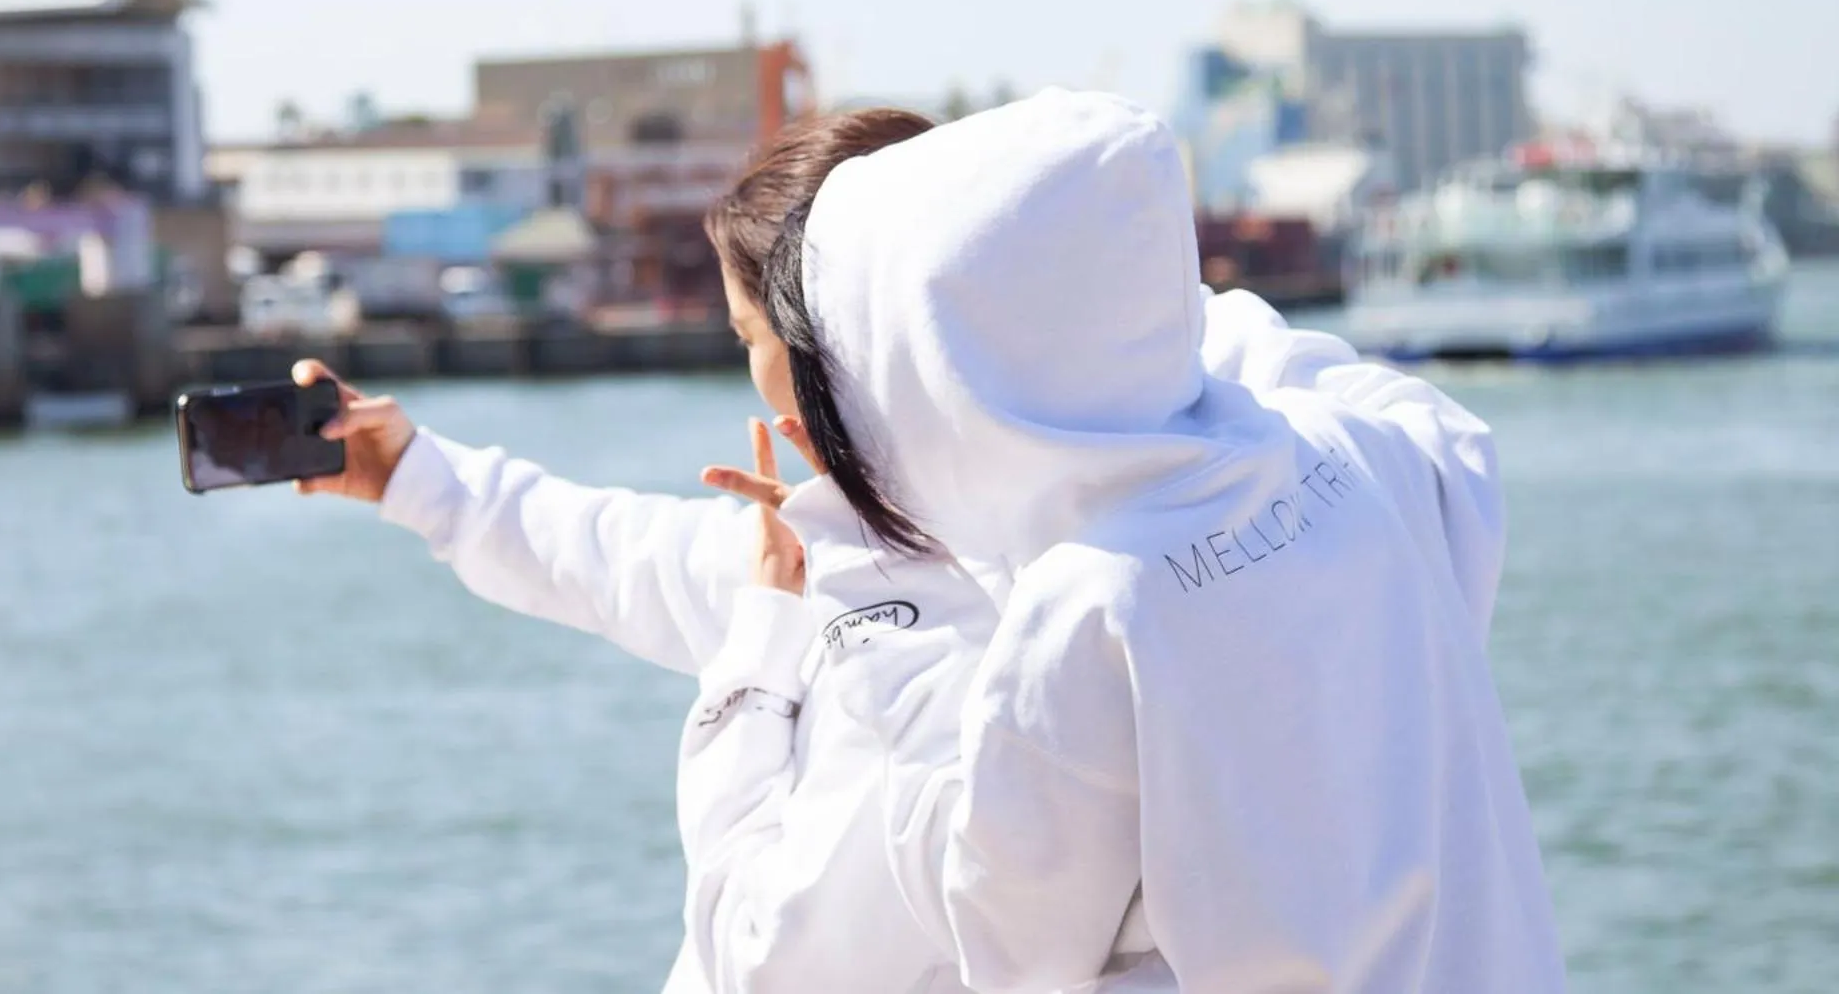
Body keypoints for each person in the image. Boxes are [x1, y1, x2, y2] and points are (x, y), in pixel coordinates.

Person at [710, 90, 1567, 994]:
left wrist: (872, 561)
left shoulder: (1086, 608)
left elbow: (1006, 937)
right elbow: (1448, 441)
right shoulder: (1344, 453)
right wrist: (1138, 307)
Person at [292, 108, 998, 994]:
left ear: (832, 345)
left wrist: (765, 635)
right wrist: (410, 473)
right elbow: (609, 552)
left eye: (748, 336)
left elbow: (765, 955)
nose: (752, 367)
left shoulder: (930, 631)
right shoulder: (876, 541)